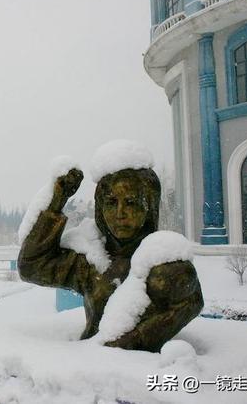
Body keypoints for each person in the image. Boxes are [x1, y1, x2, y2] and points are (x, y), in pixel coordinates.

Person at [18, 143, 203, 353]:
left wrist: (125, 343)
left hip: (140, 372)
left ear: (148, 206)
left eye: (131, 202)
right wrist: (56, 201)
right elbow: (31, 266)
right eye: (111, 202)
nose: (120, 212)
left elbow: (191, 302)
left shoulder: (166, 265)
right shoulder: (92, 261)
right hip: (91, 366)